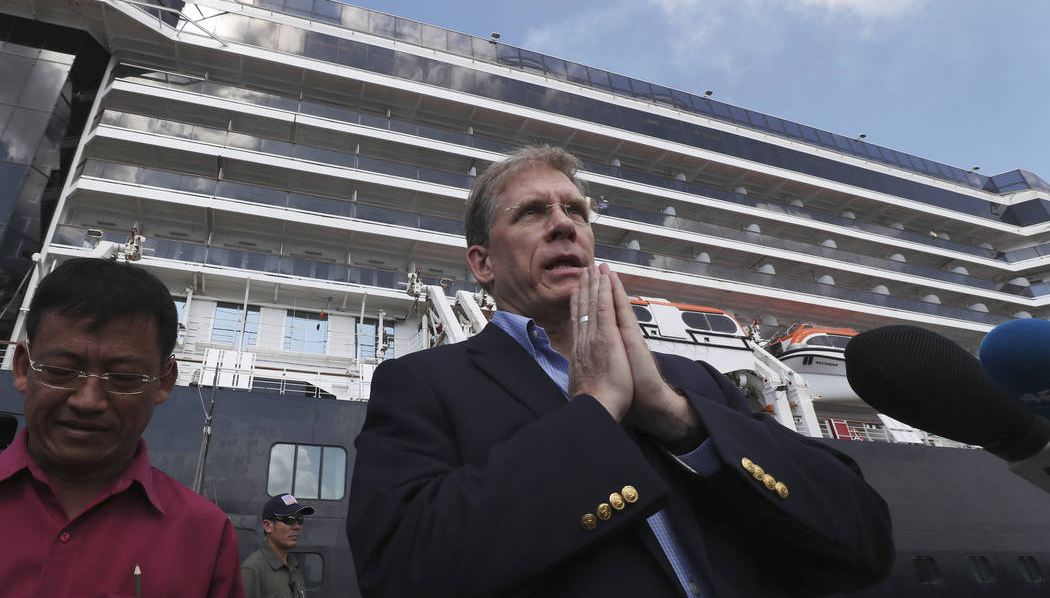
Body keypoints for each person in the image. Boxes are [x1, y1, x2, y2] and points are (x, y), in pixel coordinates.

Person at [348, 146, 894, 597]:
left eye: (577, 212)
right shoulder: (422, 383)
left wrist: (681, 421)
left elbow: (865, 543)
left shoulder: (695, 383)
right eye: (533, 212)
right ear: (483, 263)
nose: (564, 224)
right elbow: (400, 572)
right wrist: (592, 412)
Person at [0, 257, 243, 597]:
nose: (87, 401)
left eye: (125, 377)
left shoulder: (206, 535)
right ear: (24, 368)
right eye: (61, 370)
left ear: (164, 382)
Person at [241, 493, 314, 598]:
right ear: (267, 526)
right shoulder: (252, 570)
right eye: (289, 519)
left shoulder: (293, 567)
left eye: (300, 520)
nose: (297, 526)